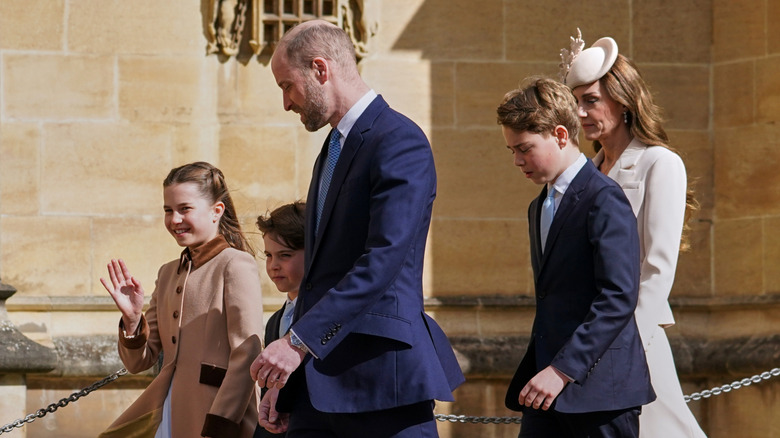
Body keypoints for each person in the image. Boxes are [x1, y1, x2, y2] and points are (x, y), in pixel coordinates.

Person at [249, 19, 465, 438]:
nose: (286, 103)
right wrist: (286, 382)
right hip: (317, 383)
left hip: (381, 381)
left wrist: (295, 344)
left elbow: (382, 261)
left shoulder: (399, 140)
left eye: (286, 86)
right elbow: (319, 278)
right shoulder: (332, 148)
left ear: (320, 69)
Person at [560, 30, 707, 437]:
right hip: (586, 342)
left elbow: (656, 270)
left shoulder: (660, 164)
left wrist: (615, 346)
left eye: (591, 100)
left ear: (623, 100)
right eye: (575, 104)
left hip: (632, 343)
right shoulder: (585, 173)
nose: (582, 113)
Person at [497, 77, 655, 437]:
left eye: (525, 148)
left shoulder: (604, 198)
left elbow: (617, 298)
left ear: (561, 135)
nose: (518, 160)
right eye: (512, 151)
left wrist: (562, 371)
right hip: (546, 391)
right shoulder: (538, 207)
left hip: (600, 394)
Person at [98, 161, 264, 438]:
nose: (174, 219)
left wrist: (220, 422)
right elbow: (139, 363)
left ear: (216, 211)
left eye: (184, 209)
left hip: (219, 417)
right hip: (168, 411)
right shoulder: (167, 273)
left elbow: (248, 351)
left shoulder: (236, 264)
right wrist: (132, 320)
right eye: (168, 210)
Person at [254, 201, 306, 438]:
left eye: (285, 255)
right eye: (268, 255)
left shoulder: (323, 319)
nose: (274, 266)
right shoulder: (275, 321)